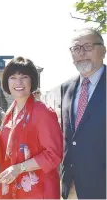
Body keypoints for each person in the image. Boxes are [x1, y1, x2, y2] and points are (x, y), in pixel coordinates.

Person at [0, 57, 63, 199]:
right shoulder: (10, 113)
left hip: (38, 191)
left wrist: (19, 168)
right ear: (7, 81)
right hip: (12, 189)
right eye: (13, 77)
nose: (18, 82)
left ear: (32, 81)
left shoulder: (43, 112)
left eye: (24, 77)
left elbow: (53, 155)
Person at [60, 28, 106, 199]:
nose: (81, 53)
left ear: (103, 50)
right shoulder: (67, 87)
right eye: (76, 49)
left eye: (88, 47)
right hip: (71, 185)